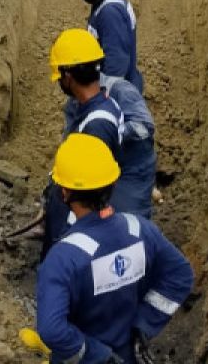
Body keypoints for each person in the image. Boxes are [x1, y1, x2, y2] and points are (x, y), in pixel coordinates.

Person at [36, 133, 194, 364]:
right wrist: (144, 324)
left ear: (65, 192)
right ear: (112, 183)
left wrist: (97, 356)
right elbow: (180, 276)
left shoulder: (63, 258)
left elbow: (51, 330)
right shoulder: (141, 230)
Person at [43, 30, 156, 251]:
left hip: (131, 176)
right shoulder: (90, 104)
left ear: (68, 76)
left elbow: (90, 193)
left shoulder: (102, 117)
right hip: (113, 175)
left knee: (128, 238)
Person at [70, 0, 143, 93]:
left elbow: (116, 66)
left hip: (118, 96)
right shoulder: (104, 2)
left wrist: (102, 100)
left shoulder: (110, 12)